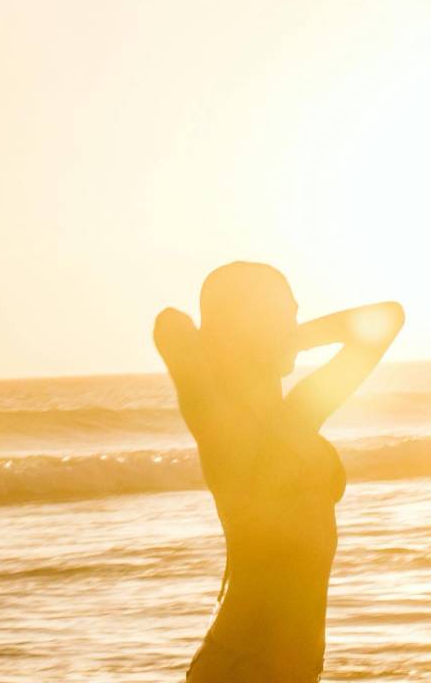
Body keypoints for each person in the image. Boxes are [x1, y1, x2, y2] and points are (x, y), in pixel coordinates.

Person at [153, 262, 404, 681]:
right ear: (248, 323)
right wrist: (243, 342)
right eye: (283, 315)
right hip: (241, 667)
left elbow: (386, 319)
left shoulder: (299, 414)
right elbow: (170, 326)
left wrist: (292, 339)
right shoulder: (219, 422)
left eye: (294, 315)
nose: (295, 323)